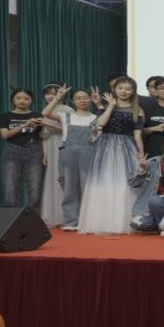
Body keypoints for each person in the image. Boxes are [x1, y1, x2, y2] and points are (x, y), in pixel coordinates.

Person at [79, 77, 146, 234]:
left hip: (127, 148)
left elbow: (138, 135)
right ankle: (102, 223)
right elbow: (101, 124)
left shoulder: (138, 110)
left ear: (133, 91)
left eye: (128, 89)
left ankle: (122, 223)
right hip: (105, 148)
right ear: (114, 89)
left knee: (125, 184)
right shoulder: (106, 106)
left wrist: (141, 155)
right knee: (104, 183)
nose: (124, 91)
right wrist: (110, 106)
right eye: (120, 88)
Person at [41, 86, 96, 231]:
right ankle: (72, 221)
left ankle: (88, 220)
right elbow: (45, 113)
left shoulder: (95, 118)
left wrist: (100, 105)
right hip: (68, 153)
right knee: (69, 187)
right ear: (72, 101)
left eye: (85, 97)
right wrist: (57, 98)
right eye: (78, 98)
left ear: (90, 99)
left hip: (89, 154)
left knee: (88, 187)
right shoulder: (66, 116)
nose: (82, 100)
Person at [0, 88, 46, 214]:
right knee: (10, 188)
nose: (22, 101)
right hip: (12, 151)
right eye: (18, 98)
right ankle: (13, 219)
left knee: (35, 189)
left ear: (31, 100)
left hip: (34, 151)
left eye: (26, 98)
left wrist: (45, 154)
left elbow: (43, 137)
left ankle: (32, 220)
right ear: (13, 99)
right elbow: (5, 135)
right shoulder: (4, 116)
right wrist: (24, 125)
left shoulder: (37, 116)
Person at [36, 84, 67, 226]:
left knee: (64, 179)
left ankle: (66, 216)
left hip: (64, 145)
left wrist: (52, 126)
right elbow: (45, 136)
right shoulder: (45, 110)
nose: (51, 96)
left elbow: (69, 131)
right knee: (52, 179)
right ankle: (52, 216)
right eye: (48, 93)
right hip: (51, 146)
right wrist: (45, 154)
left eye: (54, 93)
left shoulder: (68, 110)